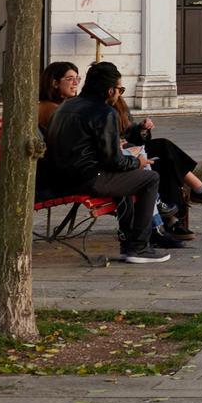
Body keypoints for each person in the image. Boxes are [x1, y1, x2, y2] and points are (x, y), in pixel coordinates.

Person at [44, 61, 181, 264]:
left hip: (58, 178)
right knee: (150, 178)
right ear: (110, 91)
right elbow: (113, 161)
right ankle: (138, 247)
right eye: (120, 90)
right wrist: (137, 162)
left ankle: (130, 243)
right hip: (86, 178)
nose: (119, 94)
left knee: (129, 178)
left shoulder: (67, 105)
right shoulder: (104, 112)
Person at [110, 83, 202, 240]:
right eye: (119, 89)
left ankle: (173, 219)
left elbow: (131, 135)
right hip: (118, 158)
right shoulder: (96, 109)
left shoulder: (119, 104)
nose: (120, 93)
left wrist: (142, 129)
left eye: (122, 90)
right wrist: (117, 143)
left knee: (164, 160)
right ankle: (198, 192)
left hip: (131, 151)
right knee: (163, 151)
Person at [38, 61, 80, 134]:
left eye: (77, 78)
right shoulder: (56, 110)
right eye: (70, 79)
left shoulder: (40, 105)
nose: (76, 83)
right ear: (55, 83)